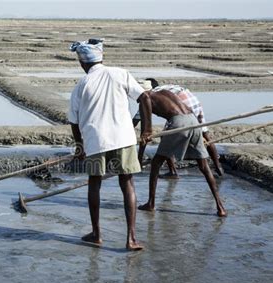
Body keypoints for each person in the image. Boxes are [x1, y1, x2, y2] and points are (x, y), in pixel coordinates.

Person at [69, 38, 148, 251]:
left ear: (82, 63)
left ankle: (96, 234)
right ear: (102, 57)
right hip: (124, 139)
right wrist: (147, 130)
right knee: (127, 183)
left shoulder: (81, 85)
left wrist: (79, 147)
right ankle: (131, 238)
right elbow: (145, 98)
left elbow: (74, 122)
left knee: (94, 183)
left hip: (95, 142)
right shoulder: (120, 73)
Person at [137, 88, 227, 217]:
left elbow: (145, 133)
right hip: (193, 120)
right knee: (204, 166)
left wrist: (139, 158)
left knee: (156, 163)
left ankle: (150, 203)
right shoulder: (164, 92)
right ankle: (221, 207)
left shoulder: (144, 100)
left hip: (178, 122)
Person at [141, 78, 224, 179]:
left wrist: (139, 157)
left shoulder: (148, 96)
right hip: (194, 102)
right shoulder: (166, 88)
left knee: (165, 137)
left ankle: (173, 172)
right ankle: (218, 167)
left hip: (183, 105)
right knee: (204, 134)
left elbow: (141, 125)